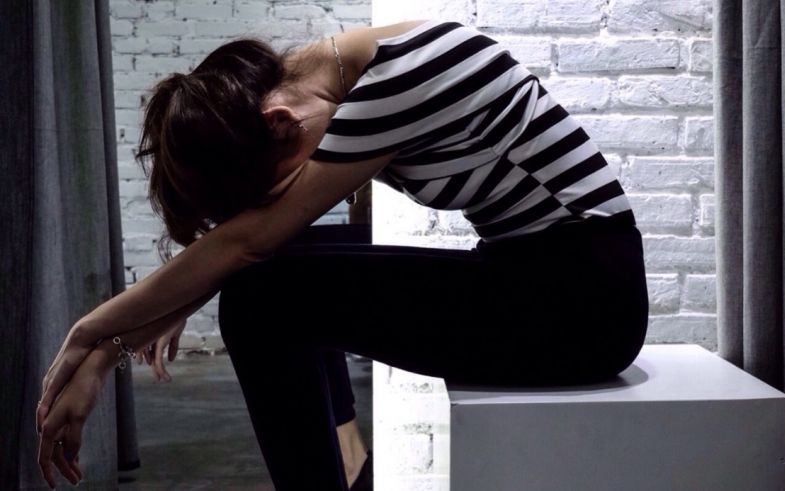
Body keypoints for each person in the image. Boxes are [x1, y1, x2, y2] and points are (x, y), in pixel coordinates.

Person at [35, 19, 649, 491]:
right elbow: (257, 238)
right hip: (530, 274)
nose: (284, 198)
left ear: (278, 120)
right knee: (276, 271)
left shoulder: (401, 77)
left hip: (583, 304)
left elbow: (252, 242)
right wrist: (120, 340)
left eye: (272, 183)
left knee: (262, 293)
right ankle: (345, 456)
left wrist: (90, 334)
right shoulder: (348, 81)